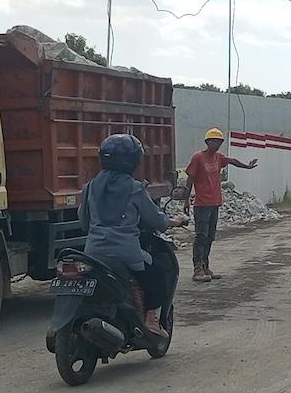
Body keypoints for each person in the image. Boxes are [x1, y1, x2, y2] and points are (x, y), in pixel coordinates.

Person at [80, 134, 183, 339]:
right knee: (157, 272)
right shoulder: (134, 188)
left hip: (92, 252)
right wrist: (173, 221)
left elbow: (84, 221)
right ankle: (151, 319)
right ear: (134, 160)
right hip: (125, 252)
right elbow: (155, 219)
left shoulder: (90, 187)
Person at [183, 128, 257, 283]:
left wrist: (247, 166)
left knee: (210, 236)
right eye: (214, 141)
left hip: (214, 202)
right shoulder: (198, 158)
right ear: (207, 142)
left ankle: (205, 266)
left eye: (219, 141)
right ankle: (197, 269)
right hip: (201, 204)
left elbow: (232, 161)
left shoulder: (218, 158)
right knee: (201, 236)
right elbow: (190, 180)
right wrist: (185, 200)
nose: (217, 144)